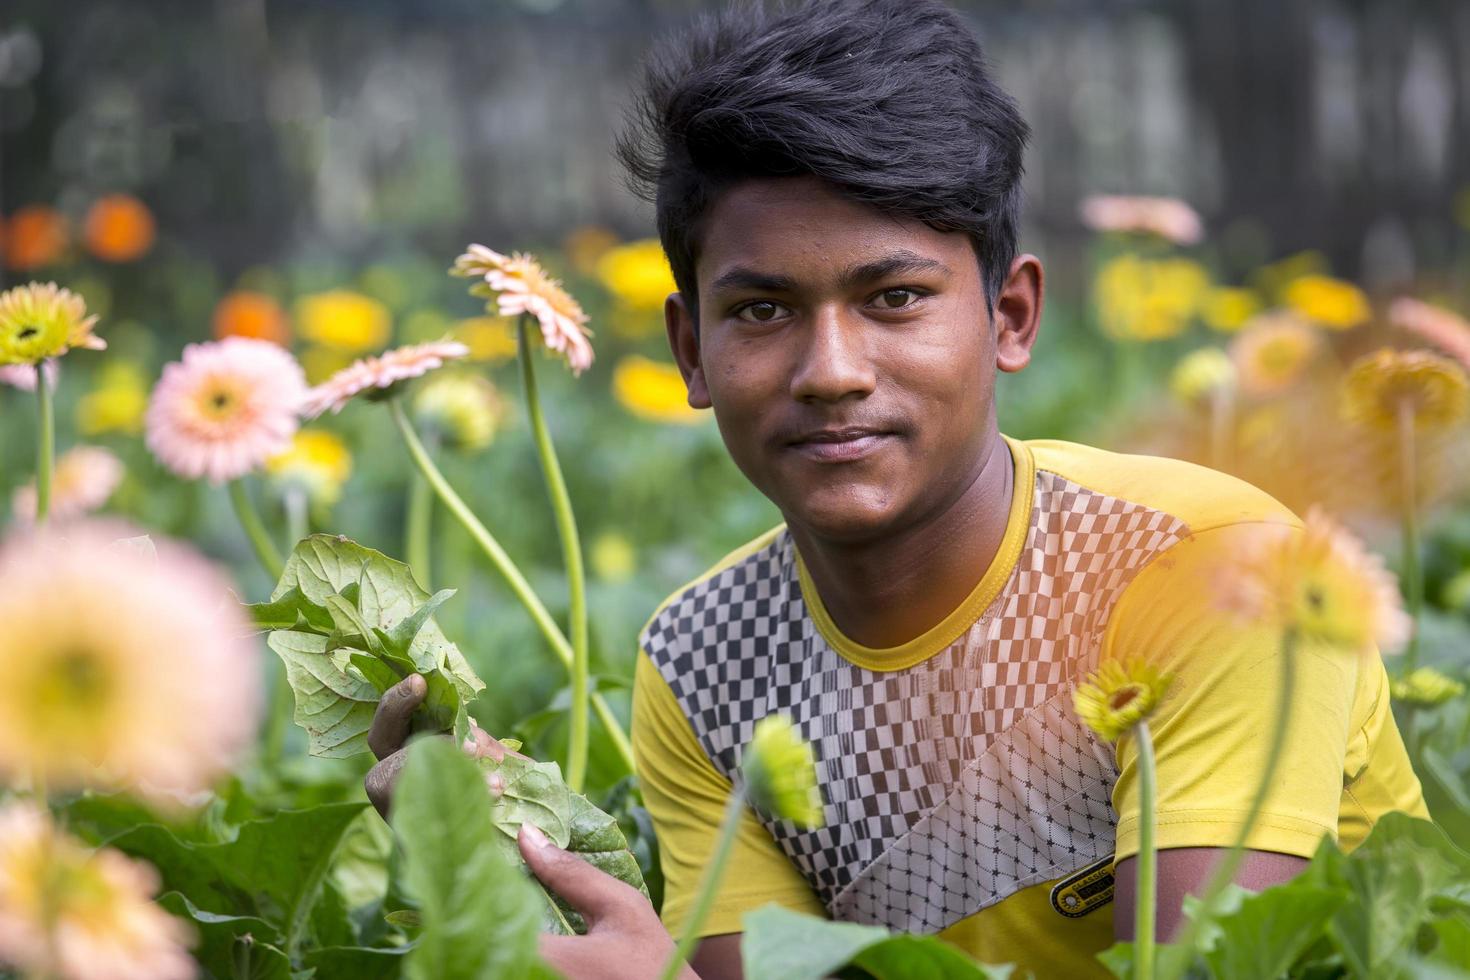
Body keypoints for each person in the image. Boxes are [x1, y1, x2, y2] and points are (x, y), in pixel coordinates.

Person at [366, 0, 1429, 976]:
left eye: (895, 296)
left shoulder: (1210, 569)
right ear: (691, 350)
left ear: (1009, 317)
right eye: (763, 311)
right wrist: (500, 853)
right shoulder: (702, 664)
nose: (831, 367)